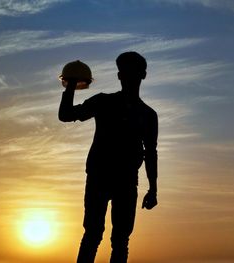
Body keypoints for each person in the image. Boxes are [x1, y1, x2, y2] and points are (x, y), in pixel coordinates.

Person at [58, 52, 158, 263]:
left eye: (133, 72)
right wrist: (71, 84)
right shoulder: (103, 102)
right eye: (125, 72)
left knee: (119, 239)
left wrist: (153, 189)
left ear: (143, 75)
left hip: (127, 180)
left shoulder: (148, 115)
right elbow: (66, 115)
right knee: (94, 235)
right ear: (119, 75)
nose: (128, 77)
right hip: (99, 178)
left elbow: (151, 152)